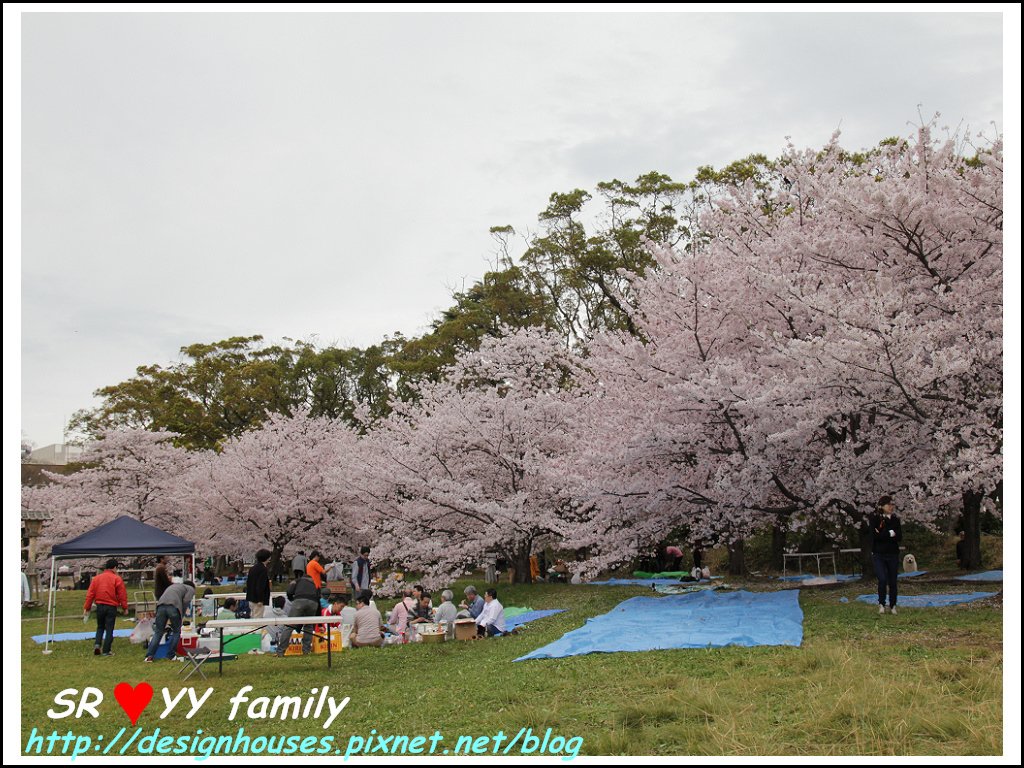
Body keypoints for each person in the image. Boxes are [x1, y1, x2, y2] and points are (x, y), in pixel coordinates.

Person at [83, 559, 128, 656]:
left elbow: (90, 594)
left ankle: (97, 645)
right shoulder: (116, 578)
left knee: (100, 627)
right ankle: (106, 650)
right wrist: (125, 607)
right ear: (115, 567)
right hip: (111, 606)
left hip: (100, 606)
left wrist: (87, 607)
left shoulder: (97, 579)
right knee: (109, 628)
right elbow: (122, 594)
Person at [144, 580, 196, 662]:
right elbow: (186, 601)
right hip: (173, 606)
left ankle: (149, 656)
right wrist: (181, 614)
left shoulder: (175, 586)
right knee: (176, 631)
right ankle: (171, 655)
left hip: (160, 606)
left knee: (158, 632)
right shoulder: (190, 589)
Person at [871, 494, 903, 615]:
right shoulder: (875, 519)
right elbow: (875, 536)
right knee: (882, 579)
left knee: (893, 581)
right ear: (882, 506)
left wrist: (884, 534)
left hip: (893, 553)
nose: (891, 507)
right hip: (879, 553)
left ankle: (893, 604)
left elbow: (899, 536)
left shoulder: (895, 520)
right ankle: (881, 603)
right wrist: (889, 534)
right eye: (888, 505)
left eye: (892, 504)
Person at [279, 572, 319, 656]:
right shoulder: (314, 584)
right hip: (313, 603)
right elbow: (318, 598)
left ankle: (280, 651)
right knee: (308, 627)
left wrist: (293, 600)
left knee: (289, 626)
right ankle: (306, 651)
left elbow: (289, 591)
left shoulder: (297, 581)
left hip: (299, 601)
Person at [245, 548, 272, 620]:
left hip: (251, 597)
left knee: (253, 616)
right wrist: (260, 599)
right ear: (267, 558)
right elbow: (260, 585)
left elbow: (249, 583)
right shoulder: (263, 569)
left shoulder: (253, 568)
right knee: (258, 619)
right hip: (258, 600)